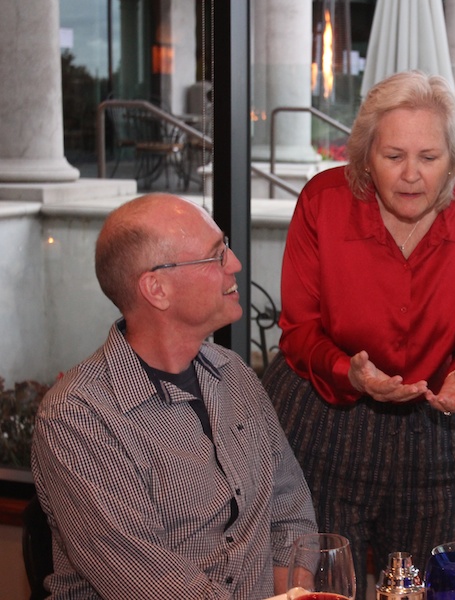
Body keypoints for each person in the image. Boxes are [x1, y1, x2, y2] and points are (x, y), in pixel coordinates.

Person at [262, 70, 455, 596]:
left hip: (435, 426)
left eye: (430, 157)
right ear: (365, 156)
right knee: (324, 588)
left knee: (429, 589)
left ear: (453, 159)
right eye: (394, 157)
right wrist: (346, 370)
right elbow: (299, 329)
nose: (412, 175)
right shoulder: (323, 200)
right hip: (326, 421)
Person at [31, 193, 318, 599]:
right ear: (157, 289)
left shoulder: (232, 373)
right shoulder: (77, 417)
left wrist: (292, 593)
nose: (234, 264)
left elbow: (290, 512)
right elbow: (155, 587)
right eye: (215, 255)